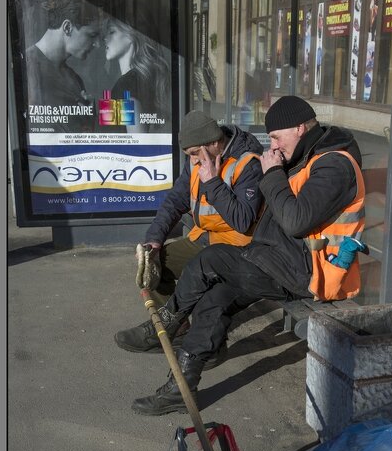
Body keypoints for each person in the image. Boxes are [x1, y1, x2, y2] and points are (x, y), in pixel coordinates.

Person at [129, 95, 365, 416]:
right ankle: (179, 387)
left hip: (309, 272)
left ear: (299, 127)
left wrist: (272, 174)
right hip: (278, 260)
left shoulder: (333, 164)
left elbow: (295, 221)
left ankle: (165, 323)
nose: (274, 146)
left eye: (277, 137)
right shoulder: (306, 154)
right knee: (216, 298)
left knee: (207, 262)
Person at [114, 109, 264, 355]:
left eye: (195, 153)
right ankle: (177, 327)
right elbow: (175, 201)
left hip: (239, 248)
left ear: (214, 143)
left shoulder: (248, 164)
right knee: (155, 262)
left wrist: (213, 182)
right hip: (205, 239)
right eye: (189, 155)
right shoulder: (197, 159)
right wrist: (154, 241)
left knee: (209, 285)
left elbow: (243, 221)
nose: (193, 160)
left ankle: (208, 348)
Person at [25, 0, 100, 132]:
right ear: (67, 27)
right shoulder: (25, 69)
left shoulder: (75, 80)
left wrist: (88, 118)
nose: (97, 44)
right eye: (92, 35)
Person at [102, 14, 171, 133]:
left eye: (112, 32)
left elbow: (137, 142)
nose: (105, 38)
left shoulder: (127, 85)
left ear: (130, 36)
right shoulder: (134, 81)